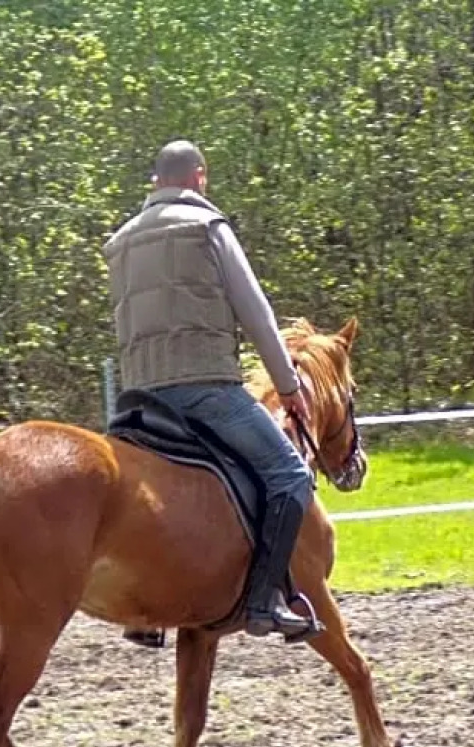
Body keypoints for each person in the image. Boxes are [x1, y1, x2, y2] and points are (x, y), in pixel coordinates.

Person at [103, 139, 320, 642]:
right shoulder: (208, 228)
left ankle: (146, 614)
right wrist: (287, 386)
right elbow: (258, 315)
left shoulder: (121, 241)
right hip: (204, 390)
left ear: (155, 182)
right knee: (289, 476)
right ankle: (264, 600)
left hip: (137, 399)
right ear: (199, 178)